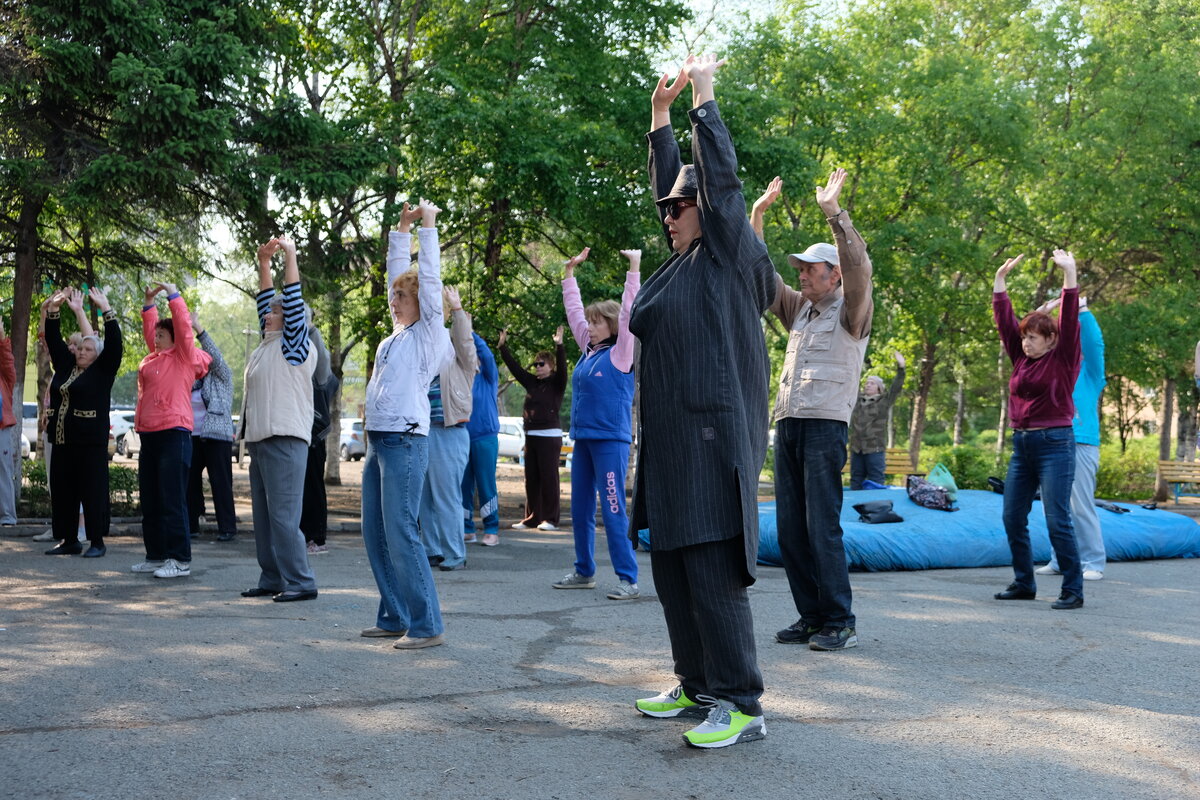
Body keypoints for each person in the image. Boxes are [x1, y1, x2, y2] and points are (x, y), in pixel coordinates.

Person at [628, 55, 773, 749]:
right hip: (671, 449)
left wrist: (702, 100)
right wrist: (658, 120)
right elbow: (674, 183)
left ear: (706, 211)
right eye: (664, 209)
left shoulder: (725, 247)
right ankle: (696, 683)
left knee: (713, 576)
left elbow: (714, 181)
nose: (667, 216)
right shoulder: (680, 258)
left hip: (714, 449)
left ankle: (741, 701)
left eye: (678, 209)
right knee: (673, 572)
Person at [760, 167, 873, 653]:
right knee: (790, 529)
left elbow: (859, 265)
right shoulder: (799, 309)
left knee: (820, 526)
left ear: (833, 276)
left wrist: (834, 214)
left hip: (826, 429)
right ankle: (811, 617)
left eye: (810, 269)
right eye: (800, 269)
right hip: (789, 425)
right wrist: (756, 216)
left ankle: (839, 620)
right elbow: (759, 274)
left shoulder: (852, 310)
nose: (801, 274)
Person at [360, 199, 452, 649]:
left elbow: (428, 279)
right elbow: (398, 270)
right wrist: (401, 227)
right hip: (378, 441)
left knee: (401, 531)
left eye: (402, 295)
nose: (394, 300)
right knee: (375, 534)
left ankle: (427, 625)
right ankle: (394, 614)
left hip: (405, 441)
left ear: (423, 302)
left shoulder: (429, 333)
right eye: (394, 295)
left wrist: (429, 227)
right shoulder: (393, 336)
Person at [992, 251, 1084, 610]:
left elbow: (1071, 319)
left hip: (1055, 444)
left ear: (1049, 340)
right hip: (1023, 446)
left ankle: (1072, 590)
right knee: (1012, 516)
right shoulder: (1020, 358)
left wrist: (1070, 274)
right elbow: (1004, 322)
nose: (1026, 343)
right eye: (1025, 337)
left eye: (1034, 337)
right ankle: (1023, 582)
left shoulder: (1063, 360)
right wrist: (1000, 282)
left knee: (1057, 518)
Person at [553, 247, 640, 599]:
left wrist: (633, 268)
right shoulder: (587, 354)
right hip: (584, 440)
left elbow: (630, 311)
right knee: (581, 508)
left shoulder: (621, 354)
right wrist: (568, 274)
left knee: (613, 507)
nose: (587, 326)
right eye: (587, 323)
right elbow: (573, 312)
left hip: (610, 442)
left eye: (595, 322)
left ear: (611, 325)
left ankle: (628, 579)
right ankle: (584, 570)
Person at [238, 236, 319, 602]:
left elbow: (293, 301)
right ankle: (272, 578)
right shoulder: (267, 344)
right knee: (265, 519)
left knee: (284, 518)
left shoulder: (296, 345)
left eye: (276, 311)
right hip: (261, 438)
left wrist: (290, 255)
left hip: (285, 438)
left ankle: (301, 582)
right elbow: (263, 301)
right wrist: (263, 263)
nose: (267, 314)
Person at [132, 283, 211, 578]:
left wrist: (174, 296)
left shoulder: (183, 356)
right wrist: (149, 301)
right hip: (149, 434)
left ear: (175, 339)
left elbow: (183, 328)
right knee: (151, 498)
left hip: (174, 433)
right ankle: (156, 555)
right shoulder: (153, 359)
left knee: (172, 499)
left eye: (162, 335)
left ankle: (179, 559)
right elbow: (150, 328)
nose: (155, 338)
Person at [42, 287, 123, 557]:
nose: (82, 352)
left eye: (89, 349)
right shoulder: (67, 366)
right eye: (81, 348)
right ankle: (69, 540)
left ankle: (97, 542)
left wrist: (106, 310)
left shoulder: (102, 371)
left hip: (89, 444)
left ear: (97, 354)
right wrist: (53, 311)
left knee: (91, 491)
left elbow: (114, 344)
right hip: (64, 441)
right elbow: (53, 341)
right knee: (64, 491)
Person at [1035, 295, 1106, 581]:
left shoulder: (1090, 373)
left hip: (1081, 442)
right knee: (1052, 505)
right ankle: (1060, 558)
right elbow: (1032, 341)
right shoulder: (1054, 368)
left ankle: (1093, 561)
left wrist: (1083, 310)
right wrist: (1041, 314)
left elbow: (1094, 344)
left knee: (1080, 504)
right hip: (1050, 440)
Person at [419, 284, 478, 571]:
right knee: (423, 498)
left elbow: (465, 341)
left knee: (445, 496)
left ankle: (455, 552)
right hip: (422, 431)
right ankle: (432, 550)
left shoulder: (463, 361)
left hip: (450, 432)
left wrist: (456, 309)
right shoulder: (427, 356)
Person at [498, 326, 567, 531]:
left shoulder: (557, 382)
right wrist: (503, 348)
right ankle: (532, 517)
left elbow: (563, 368)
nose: (537, 367)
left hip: (549, 436)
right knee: (532, 479)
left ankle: (550, 519)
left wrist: (559, 345)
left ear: (551, 366)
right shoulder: (532, 383)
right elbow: (516, 368)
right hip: (531, 437)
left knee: (549, 478)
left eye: (541, 364)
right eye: (535, 364)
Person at [186, 311, 238, 543]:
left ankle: (227, 528)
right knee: (189, 483)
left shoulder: (222, 377)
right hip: (191, 436)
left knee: (220, 482)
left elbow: (215, 356)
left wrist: (198, 328)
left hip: (217, 437)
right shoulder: (189, 381)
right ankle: (192, 525)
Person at [300, 321, 337, 555]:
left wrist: (311, 329)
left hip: (313, 433)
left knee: (313, 486)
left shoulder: (316, 359)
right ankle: (302, 536)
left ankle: (316, 537)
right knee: (300, 487)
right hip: (297, 429)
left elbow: (324, 367)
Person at [461, 331, 501, 546]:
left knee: (486, 485)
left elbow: (487, 355)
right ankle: (467, 529)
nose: (473, 358)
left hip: (485, 438)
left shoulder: (488, 376)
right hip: (462, 439)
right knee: (463, 486)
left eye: (475, 355)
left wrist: (468, 331)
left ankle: (491, 528)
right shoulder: (461, 378)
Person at [849, 352, 906, 490]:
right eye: (867, 383)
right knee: (855, 481)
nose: (867, 385)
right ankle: (856, 510)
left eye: (872, 383)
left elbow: (896, 387)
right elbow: (851, 380)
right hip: (857, 449)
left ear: (879, 388)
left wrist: (901, 367)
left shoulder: (883, 401)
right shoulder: (857, 400)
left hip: (874, 449)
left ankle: (876, 510)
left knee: (876, 482)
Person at [0, 311, 16, 527]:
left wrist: (2, 335)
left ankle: (7, 516)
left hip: (1, 427)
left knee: (3, 473)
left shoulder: (5, 375)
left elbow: (6, 357)